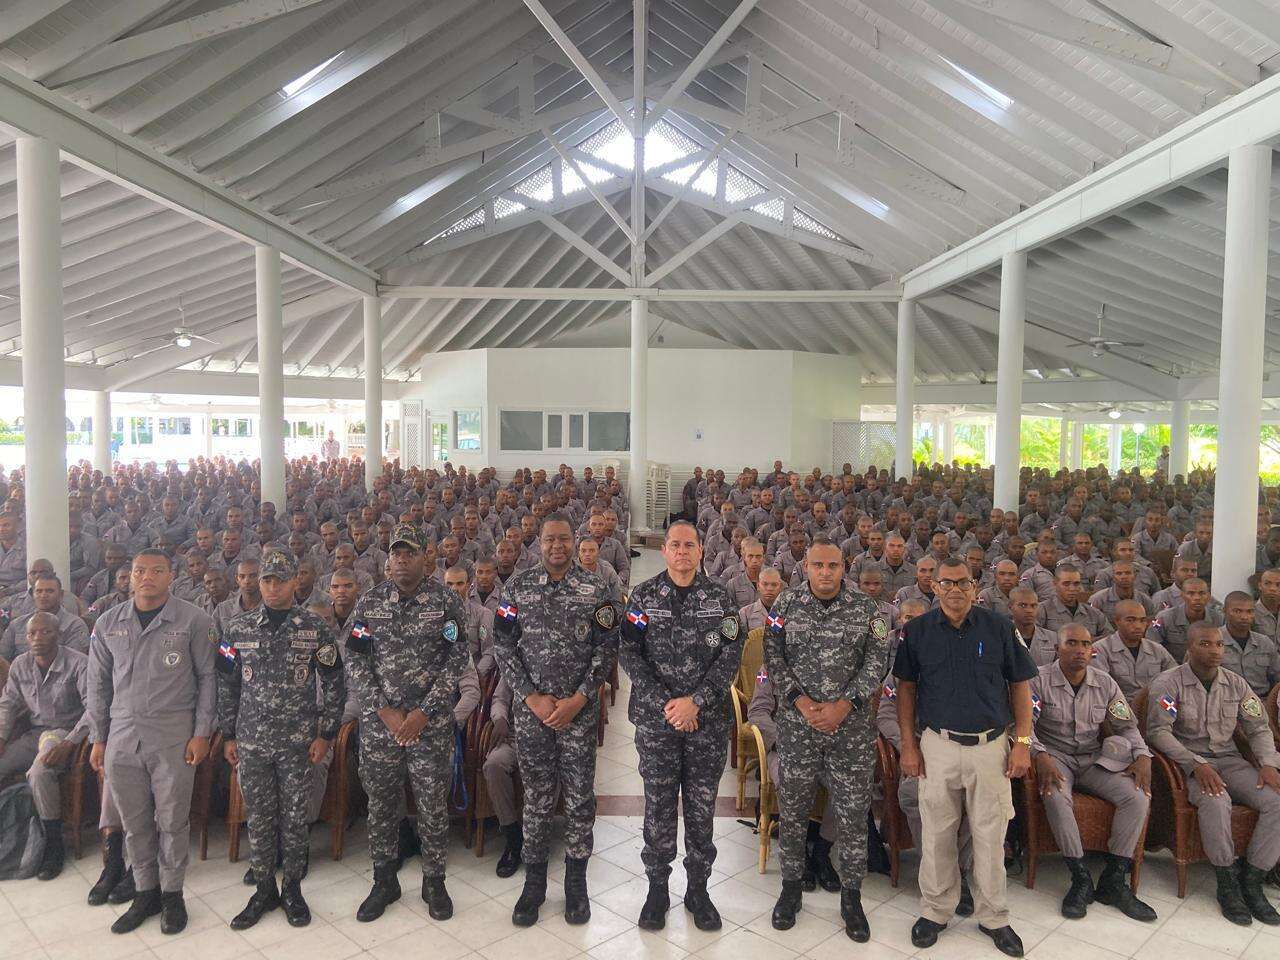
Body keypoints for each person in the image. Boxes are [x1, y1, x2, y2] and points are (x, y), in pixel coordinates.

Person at [894, 555, 1037, 958]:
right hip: (937, 745)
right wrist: (908, 744)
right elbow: (906, 690)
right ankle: (936, 911)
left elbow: (1020, 687)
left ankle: (994, 916)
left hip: (991, 747)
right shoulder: (917, 631)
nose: (954, 590)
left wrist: (1022, 743)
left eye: (962, 583)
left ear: (976, 587)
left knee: (991, 836)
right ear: (934, 587)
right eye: (946, 583)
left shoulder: (999, 628)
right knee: (937, 831)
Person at [492, 514, 618, 927]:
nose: (558, 546)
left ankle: (576, 883)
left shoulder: (596, 588)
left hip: (577, 715)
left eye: (565, 539)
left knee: (581, 798)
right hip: (533, 715)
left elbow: (606, 648)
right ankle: (534, 883)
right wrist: (531, 697)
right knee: (538, 797)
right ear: (539, 543)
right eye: (550, 540)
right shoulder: (518, 588)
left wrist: (580, 698)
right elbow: (503, 646)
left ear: (574, 541)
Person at [87, 548, 217, 935]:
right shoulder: (109, 623)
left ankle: (173, 894)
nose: (146, 577)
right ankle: (146, 891)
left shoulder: (194, 620)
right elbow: (97, 685)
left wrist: (202, 732)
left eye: (156, 571)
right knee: (134, 822)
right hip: (122, 735)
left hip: (173, 735)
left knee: (173, 820)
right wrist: (98, 737)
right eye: (139, 571)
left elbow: (208, 678)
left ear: (170, 576)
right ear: (128, 576)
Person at [765, 536, 888, 942]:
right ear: (805, 566)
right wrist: (799, 702)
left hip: (849, 732)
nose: (824, 572)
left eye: (832, 566)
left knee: (853, 817)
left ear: (843, 567)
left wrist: (845, 705)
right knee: (794, 811)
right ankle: (790, 888)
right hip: (798, 729)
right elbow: (774, 656)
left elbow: (877, 663)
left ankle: (851, 898)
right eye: (817, 565)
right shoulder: (784, 606)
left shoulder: (868, 610)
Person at [620, 520, 742, 932]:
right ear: (665, 551)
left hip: (706, 724)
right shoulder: (643, 596)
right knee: (657, 806)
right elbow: (629, 654)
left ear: (701, 551)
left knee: (701, 807)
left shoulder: (721, 599)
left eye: (690, 544)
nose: (682, 551)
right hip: (658, 722)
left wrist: (697, 703)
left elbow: (730, 657)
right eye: (675, 544)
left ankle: (698, 889)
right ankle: (657, 889)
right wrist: (669, 705)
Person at [343, 524, 469, 923]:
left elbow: (455, 660)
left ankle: (435, 880)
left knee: (432, 805)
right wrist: (383, 709)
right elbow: (357, 660)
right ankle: (384, 879)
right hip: (382, 727)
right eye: (395, 553)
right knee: (380, 804)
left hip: (428, 727)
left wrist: (423, 713)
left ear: (424, 557)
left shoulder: (446, 602)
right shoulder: (369, 603)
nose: (400, 560)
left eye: (408, 553)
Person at [216, 551, 345, 929]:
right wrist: (228, 734)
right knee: (258, 817)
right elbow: (226, 683)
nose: (272, 587)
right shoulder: (237, 629)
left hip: (298, 743)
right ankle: (263, 889)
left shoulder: (315, 627)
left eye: (280, 580)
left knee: (294, 818)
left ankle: (291, 888)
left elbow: (334, 682)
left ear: (294, 583)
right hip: (252, 741)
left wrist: (326, 733)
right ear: (258, 583)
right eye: (266, 580)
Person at [1146, 622, 1280, 926]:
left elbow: (1258, 727)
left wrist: (1268, 763)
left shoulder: (1236, 684)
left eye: (1219, 644)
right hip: (1191, 765)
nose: (1215, 650)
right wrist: (1195, 762)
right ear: (1189, 648)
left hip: (1230, 761)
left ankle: (1254, 878)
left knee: (1275, 801)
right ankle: (1226, 880)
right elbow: (1158, 732)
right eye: (1205, 644)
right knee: (1217, 802)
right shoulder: (1169, 683)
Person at [1028, 625, 1157, 922]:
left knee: (1137, 797)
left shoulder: (1105, 683)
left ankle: (1114, 878)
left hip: (1092, 757)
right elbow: (1024, 726)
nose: (1079, 650)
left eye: (1085, 644)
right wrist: (1040, 753)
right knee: (1056, 796)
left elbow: (1126, 726)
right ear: (1057, 649)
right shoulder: (1038, 680)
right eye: (1071, 643)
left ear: (1092, 650)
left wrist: (1143, 755)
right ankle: (1080, 877)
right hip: (1055, 756)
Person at [0, 612, 90, 880]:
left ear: (59, 634)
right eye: (31, 634)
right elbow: (8, 704)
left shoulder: (78, 663)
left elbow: (94, 710)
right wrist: (1, 737)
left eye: (45, 632)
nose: (37, 638)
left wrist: (71, 742)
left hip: (65, 732)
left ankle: (53, 843)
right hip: (34, 733)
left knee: (39, 772)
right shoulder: (20, 665)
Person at [1091, 599, 1176, 701]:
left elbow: (1175, 679)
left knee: (1175, 708)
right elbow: (1101, 690)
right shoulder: (1100, 650)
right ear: (1117, 621)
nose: (1138, 626)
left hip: (1154, 704)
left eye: (1142, 620)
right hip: (1119, 707)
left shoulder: (1157, 650)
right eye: (1130, 620)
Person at [1218, 591, 1280, 697]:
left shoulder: (1264, 643)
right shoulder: (1213, 640)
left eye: (1249, 611)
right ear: (1224, 611)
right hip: (1225, 702)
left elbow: (1278, 676)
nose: (1244, 617)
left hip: (1262, 701)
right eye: (1237, 611)